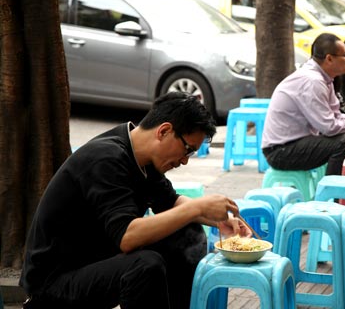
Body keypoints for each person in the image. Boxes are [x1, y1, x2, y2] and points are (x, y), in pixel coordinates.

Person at [20, 92, 250, 309]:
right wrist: (197, 206)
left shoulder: (142, 158)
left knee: (186, 233)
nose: (184, 161)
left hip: (94, 265)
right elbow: (127, 237)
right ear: (164, 131)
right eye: (187, 149)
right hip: (54, 284)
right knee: (144, 267)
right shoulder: (105, 158)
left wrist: (217, 219)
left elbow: (172, 202)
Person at [262, 33, 345, 175]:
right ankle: (333, 193)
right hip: (280, 151)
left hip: (297, 142)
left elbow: (337, 115)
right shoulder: (313, 81)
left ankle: (342, 188)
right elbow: (329, 127)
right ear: (329, 58)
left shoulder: (325, 79)